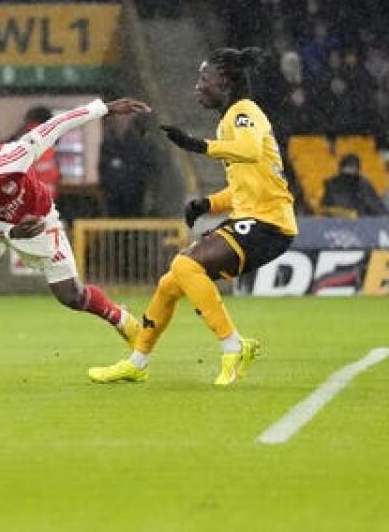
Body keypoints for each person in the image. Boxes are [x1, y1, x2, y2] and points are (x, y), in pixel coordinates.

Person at [89, 47, 298, 387]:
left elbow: (249, 151)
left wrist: (197, 145)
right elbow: (244, 186)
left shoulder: (244, 111)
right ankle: (137, 362)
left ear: (225, 82)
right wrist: (207, 204)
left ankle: (234, 347)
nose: (198, 86)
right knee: (169, 283)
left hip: (270, 224)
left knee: (186, 266)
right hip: (256, 218)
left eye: (205, 79)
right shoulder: (230, 119)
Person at [0, 96, 151, 383]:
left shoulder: (11, 158)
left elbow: (56, 125)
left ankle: (121, 319)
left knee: (72, 297)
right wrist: (9, 232)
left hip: (38, 222)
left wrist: (103, 108)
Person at [320, 154, 387, 216]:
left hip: (340, 221)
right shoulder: (362, 183)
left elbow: (324, 208)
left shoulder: (331, 183)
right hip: (356, 220)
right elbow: (378, 208)